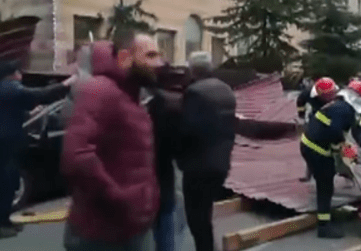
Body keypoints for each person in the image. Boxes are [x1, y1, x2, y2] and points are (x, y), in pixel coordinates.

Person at [61, 32, 163, 251]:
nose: (159, 63)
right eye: (151, 55)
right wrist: (120, 199)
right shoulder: (100, 90)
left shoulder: (131, 95)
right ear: (126, 58)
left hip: (132, 228)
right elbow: (77, 156)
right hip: (102, 235)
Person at [0, 60, 76, 239]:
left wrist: (30, 113)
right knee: (4, 184)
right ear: (14, 73)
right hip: (4, 143)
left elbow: (13, 108)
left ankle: (3, 221)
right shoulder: (10, 86)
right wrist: (66, 83)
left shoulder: (3, 88)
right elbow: (39, 94)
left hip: (4, 141)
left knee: (10, 182)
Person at [176, 51, 236, 251]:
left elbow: (188, 129)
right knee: (205, 213)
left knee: (196, 218)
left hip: (198, 165)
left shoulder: (195, 92)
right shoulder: (226, 89)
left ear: (192, 70)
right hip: (221, 163)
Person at [300, 80, 361, 239]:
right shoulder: (345, 109)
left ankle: (325, 220)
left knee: (326, 179)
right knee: (325, 186)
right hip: (316, 150)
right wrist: (342, 147)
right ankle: (324, 227)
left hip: (312, 146)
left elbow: (335, 130)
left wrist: (344, 147)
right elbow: (334, 131)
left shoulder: (339, 105)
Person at [147, 64, 187, 251]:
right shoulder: (180, 104)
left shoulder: (150, 104)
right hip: (166, 176)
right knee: (167, 228)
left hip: (148, 176)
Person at [296, 77, 339, 182]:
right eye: (325, 96)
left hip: (332, 119)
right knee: (308, 147)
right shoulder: (308, 93)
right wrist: (301, 114)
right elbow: (300, 101)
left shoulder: (337, 92)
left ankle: (343, 172)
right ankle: (310, 172)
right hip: (315, 119)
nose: (328, 98)